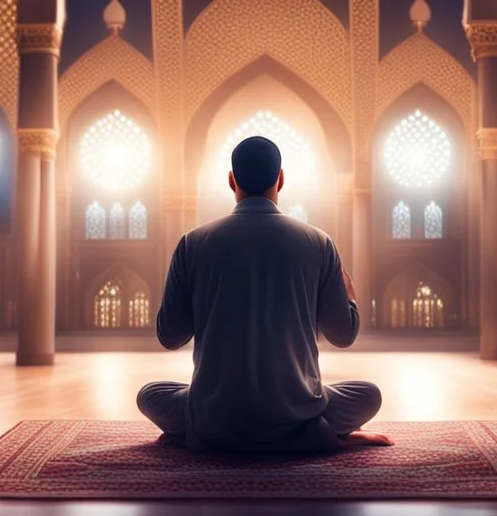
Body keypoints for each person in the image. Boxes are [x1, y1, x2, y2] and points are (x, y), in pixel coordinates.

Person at [137, 135, 393, 453]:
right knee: (369, 394)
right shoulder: (318, 242)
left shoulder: (193, 243)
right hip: (299, 415)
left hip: (214, 417)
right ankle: (319, 432)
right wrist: (349, 296)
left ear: (231, 180)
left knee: (149, 394)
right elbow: (343, 335)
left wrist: (188, 284)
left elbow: (169, 336)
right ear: (281, 179)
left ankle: (197, 432)